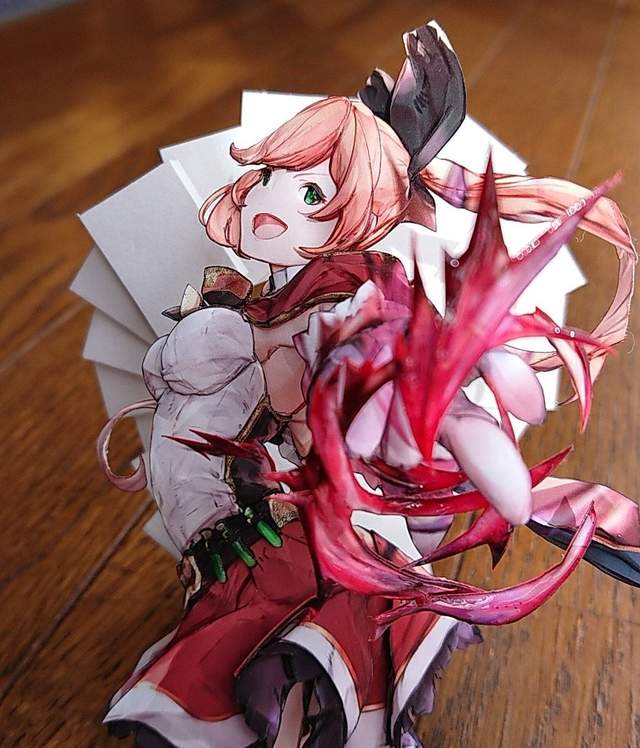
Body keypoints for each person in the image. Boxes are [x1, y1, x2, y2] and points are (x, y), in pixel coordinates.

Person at [97, 21, 638, 748]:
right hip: (243, 520)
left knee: (305, 642)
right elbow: (181, 368)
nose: (271, 201)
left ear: (363, 215)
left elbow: (364, 361)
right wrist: (260, 344)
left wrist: (443, 393)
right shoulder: (242, 310)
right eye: (269, 176)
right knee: (273, 641)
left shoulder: (352, 292)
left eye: (311, 190)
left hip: (305, 526)